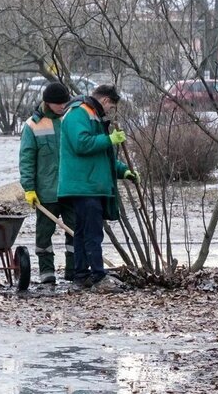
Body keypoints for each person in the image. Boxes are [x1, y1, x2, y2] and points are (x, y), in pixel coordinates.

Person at [58, 85, 139, 292]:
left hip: (89, 183)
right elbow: (81, 144)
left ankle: (82, 275)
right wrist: (109, 139)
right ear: (104, 100)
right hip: (85, 185)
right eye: (111, 106)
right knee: (92, 232)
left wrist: (123, 171)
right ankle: (97, 276)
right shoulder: (79, 113)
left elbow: (103, 156)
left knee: (84, 231)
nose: (110, 111)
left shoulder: (90, 114)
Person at [19, 82, 76, 284]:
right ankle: (46, 272)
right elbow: (26, 159)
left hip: (70, 189)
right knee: (44, 234)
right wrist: (29, 189)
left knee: (75, 231)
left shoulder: (70, 120)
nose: (63, 106)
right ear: (48, 103)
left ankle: (73, 271)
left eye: (64, 102)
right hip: (45, 191)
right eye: (58, 103)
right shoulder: (32, 126)